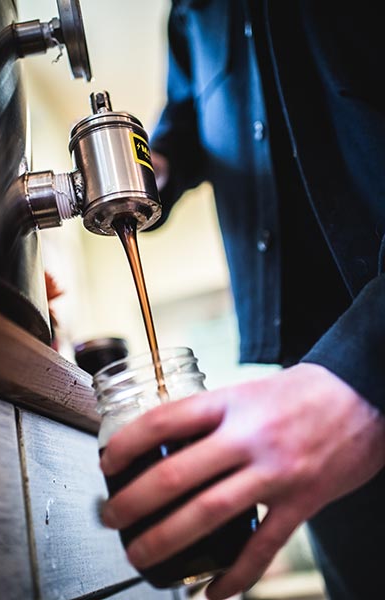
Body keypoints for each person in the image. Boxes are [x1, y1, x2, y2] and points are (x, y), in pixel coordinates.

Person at [100, 2, 385, 598]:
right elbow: (176, 139)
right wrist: (137, 170)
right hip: (304, 369)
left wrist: (364, 372)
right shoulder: (191, 16)